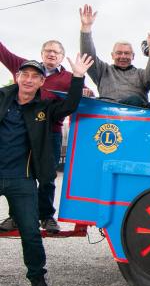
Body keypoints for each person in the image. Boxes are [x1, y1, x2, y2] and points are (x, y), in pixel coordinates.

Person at [0, 54, 93, 286]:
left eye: (35, 76)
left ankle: (37, 277)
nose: (29, 80)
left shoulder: (44, 108)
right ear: (17, 77)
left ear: (42, 82)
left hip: (22, 178)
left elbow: (70, 106)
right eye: (25, 75)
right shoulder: (2, 98)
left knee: (30, 231)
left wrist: (77, 76)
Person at [0, 39, 92, 233]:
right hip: (24, 131)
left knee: (47, 176)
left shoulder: (69, 76)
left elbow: (78, 98)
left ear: (61, 57)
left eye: (56, 52)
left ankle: (46, 216)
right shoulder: (27, 67)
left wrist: (81, 83)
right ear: (42, 53)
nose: (51, 54)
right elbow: (4, 53)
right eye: (48, 50)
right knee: (20, 174)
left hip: (51, 132)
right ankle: (16, 216)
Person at [79, 4, 150, 109]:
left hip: (139, 113)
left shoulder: (140, 74)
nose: (123, 56)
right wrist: (86, 28)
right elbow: (88, 56)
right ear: (112, 55)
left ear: (133, 56)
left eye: (127, 53)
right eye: (119, 53)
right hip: (111, 112)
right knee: (135, 100)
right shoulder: (103, 71)